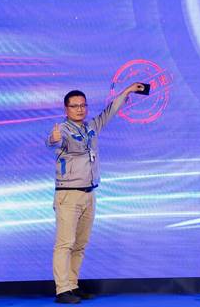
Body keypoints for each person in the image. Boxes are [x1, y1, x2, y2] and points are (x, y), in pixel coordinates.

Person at [46, 82, 145, 304]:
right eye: (74, 106)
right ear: (66, 109)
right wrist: (54, 138)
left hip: (89, 194)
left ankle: (72, 284)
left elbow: (109, 111)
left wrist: (128, 91)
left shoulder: (91, 127)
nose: (80, 109)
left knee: (80, 244)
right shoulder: (63, 130)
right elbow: (53, 142)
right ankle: (62, 290)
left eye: (83, 105)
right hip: (68, 194)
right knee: (65, 243)